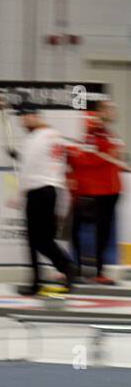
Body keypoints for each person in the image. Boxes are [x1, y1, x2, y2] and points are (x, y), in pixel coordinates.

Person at [14, 102, 78, 295]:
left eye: (24, 118)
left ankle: (64, 267)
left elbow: (28, 168)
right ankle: (53, 273)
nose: (22, 122)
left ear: (33, 115)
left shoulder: (35, 138)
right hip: (52, 190)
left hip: (37, 191)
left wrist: (19, 192)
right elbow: (48, 161)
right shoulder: (55, 135)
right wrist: (18, 156)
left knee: (37, 240)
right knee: (43, 239)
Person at [69, 100, 125, 285]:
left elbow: (111, 156)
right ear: (100, 111)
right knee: (83, 230)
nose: (113, 112)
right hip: (93, 190)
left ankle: (97, 270)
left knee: (103, 232)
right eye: (109, 109)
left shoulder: (109, 134)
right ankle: (80, 268)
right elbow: (86, 157)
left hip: (110, 190)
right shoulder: (91, 127)